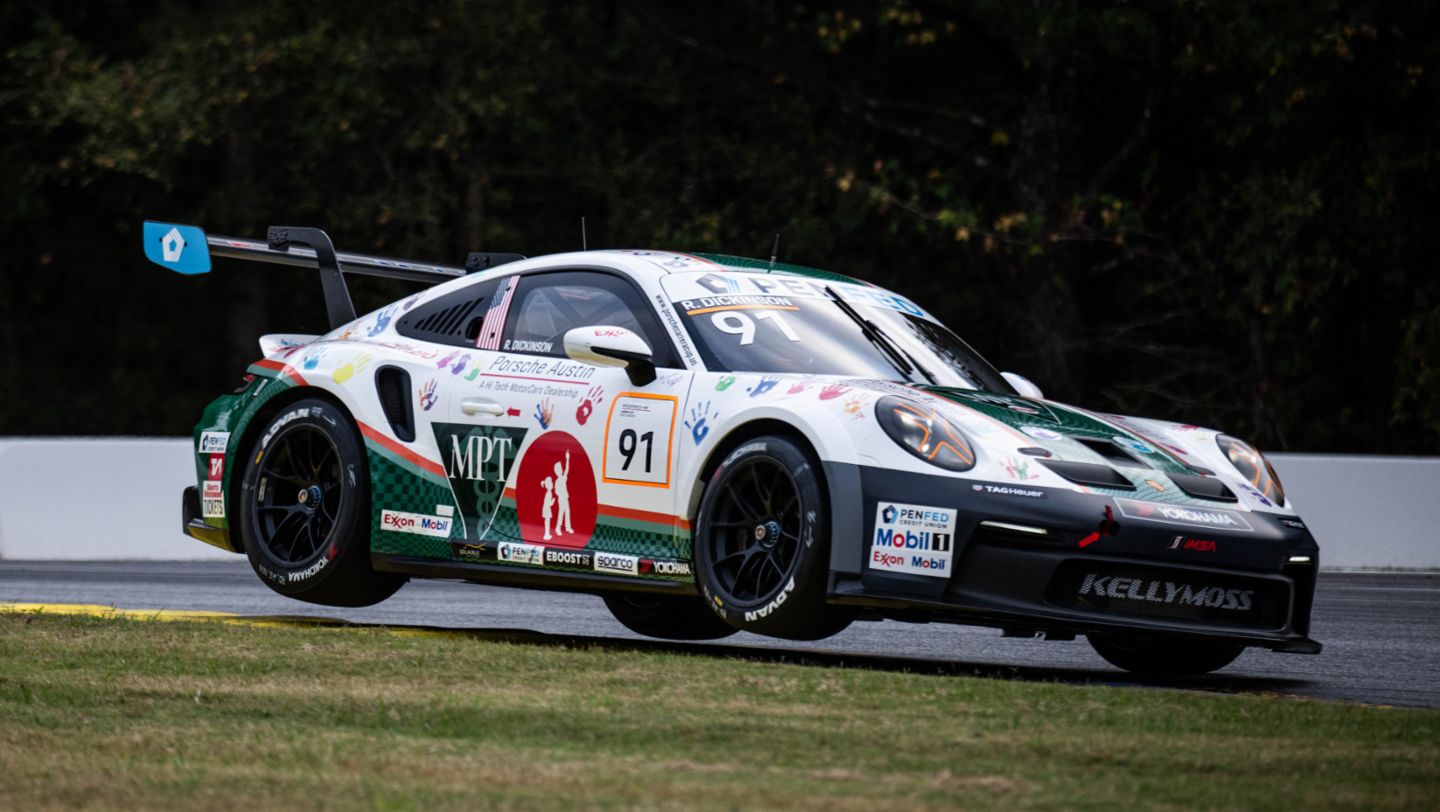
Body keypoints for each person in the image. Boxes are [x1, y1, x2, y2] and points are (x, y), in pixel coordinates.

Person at [554, 451, 572, 535]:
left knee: (567, 511)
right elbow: (556, 491)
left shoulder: (563, 478)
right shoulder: (557, 481)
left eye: (561, 468)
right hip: (562, 498)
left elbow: (567, 469)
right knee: (561, 512)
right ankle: (558, 528)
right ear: (557, 471)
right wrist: (561, 495)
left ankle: (568, 527)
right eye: (560, 468)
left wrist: (567, 459)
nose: (561, 469)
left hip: (565, 497)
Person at [540, 476, 555, 540]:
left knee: (547, 521)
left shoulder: (549, 493)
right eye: (551, 483)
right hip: (547, 508)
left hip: (546, 508)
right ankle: (546, 534)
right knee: (547, 521)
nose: (552, 484)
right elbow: (549, 503)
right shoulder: (549, 493)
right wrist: (553, 500)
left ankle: (547, 534)